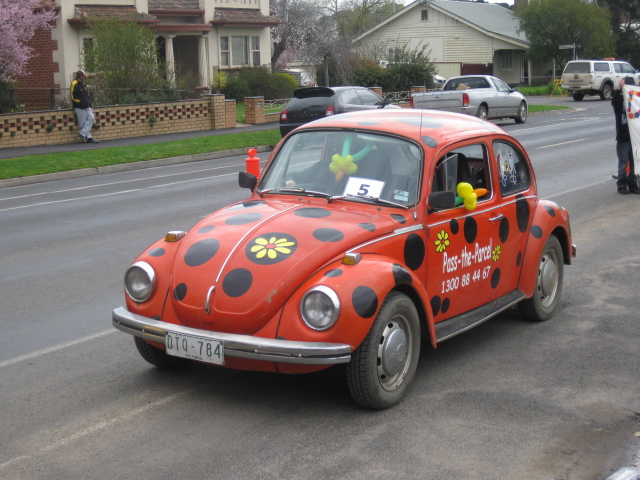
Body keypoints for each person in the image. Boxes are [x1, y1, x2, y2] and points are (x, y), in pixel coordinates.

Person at [611, 76, 637, 194]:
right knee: (623, 162)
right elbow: (614, 102)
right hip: (623, 136)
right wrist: (619, 88)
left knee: (635, 162)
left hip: (635, 136)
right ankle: (621, 184)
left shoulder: (636, 99)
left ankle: (633, 184)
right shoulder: (620, 100)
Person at [70, 70, 99, 143]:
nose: (85, 78)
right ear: (80, 76)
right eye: (83, 76)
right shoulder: (74, 83)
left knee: (91, 118)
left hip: (86, 106)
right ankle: (89, 138)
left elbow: (87, 97)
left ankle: (82, 134)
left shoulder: (83, 85)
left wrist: (90, 105)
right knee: (83, 122)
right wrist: (80, 102)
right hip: (78, 106)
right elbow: (73, 96)